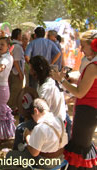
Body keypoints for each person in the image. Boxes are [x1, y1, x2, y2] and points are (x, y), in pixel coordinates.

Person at [51, 30, 97, 170]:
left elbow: (80, 92)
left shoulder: (93, 67)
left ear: (93, 46)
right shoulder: (92, 64)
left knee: (80, 149)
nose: (81, 50)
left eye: (83, 46)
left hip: (87, 113)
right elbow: (86, 84)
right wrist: (71, 79)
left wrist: (62, 80)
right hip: (88, 111)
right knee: (81, 147)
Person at [6, 98, 68, 169]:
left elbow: (34, 153)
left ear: (36, 111)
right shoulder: (59, 120)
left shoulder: (40, 128)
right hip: (61, 157)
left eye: (33, 116)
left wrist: (27, 136)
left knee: (10, 155)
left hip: (47, 162)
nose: (34, 119)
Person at [8, 28, 25, 115]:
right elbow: (16, 61)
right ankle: (11, 109)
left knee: (11, 90)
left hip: (11, 72)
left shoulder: (11, 45)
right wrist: (20, 73)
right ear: (18, 36)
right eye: (21, 35)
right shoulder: (17, 47)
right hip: (16, 72)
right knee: (15, 91)